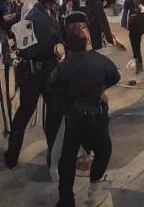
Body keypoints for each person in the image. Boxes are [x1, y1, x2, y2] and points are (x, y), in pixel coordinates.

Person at [51, 23, 121, 207]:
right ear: (87, 41)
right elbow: (115, 76)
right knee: (104, 151)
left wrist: (66, 106)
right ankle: (94, 183)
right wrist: (100, 90)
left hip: (75, 118)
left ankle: (66, 200)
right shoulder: (99, 60)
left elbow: (53, 88)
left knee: (67, 161)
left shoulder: (64, 67)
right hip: (96, 116)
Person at [3, 0, 65, 170]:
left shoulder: (44, 14)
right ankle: (20, 155)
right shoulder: (37, 17)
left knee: (38, 114)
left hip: (39, 72)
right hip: (37, 73)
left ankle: (13, 156)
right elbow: (27, 49)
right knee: (41, 114)